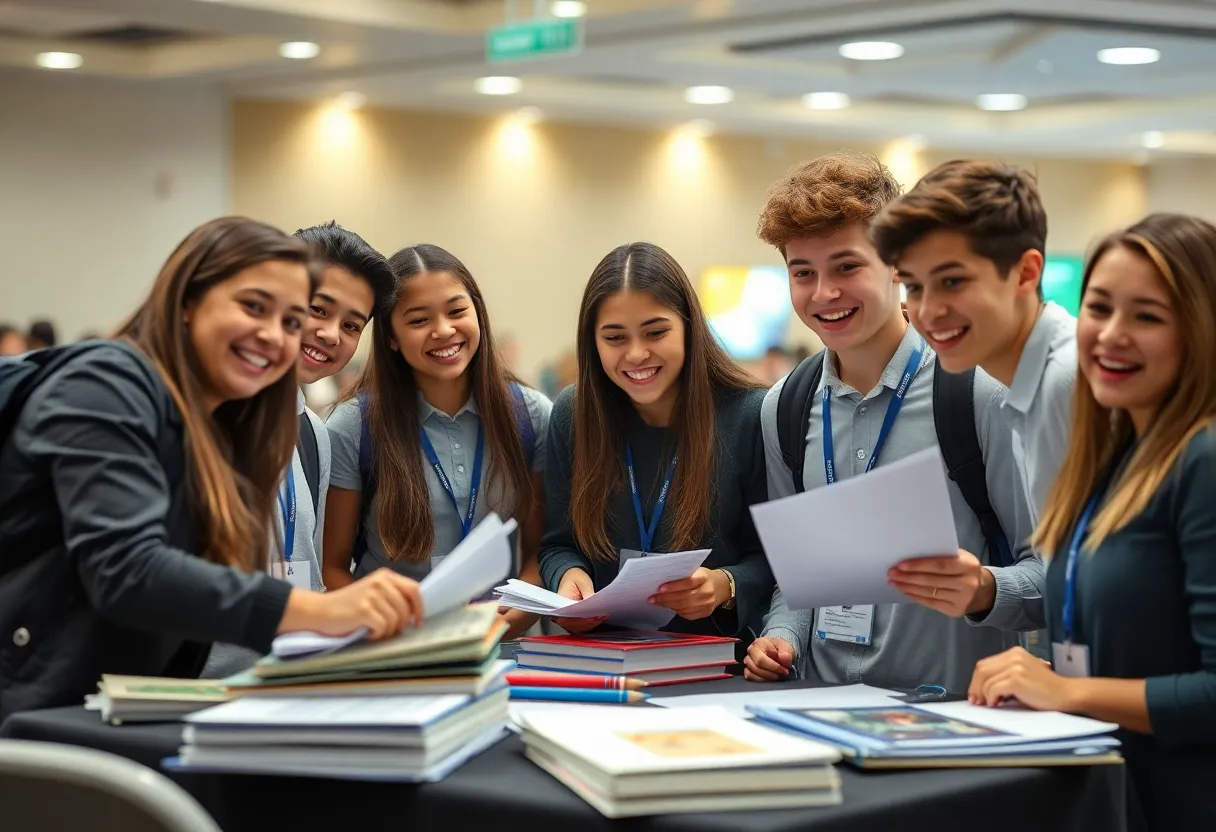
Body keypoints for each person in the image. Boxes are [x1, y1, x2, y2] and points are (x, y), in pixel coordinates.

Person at [0, 216, 423, 719]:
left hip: (146, 706)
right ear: (188, 299)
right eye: (254, 307)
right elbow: (129, 570)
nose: (276, 334)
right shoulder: (110, 381)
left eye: (291, 319)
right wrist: (322, 611)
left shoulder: (243, 422)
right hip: (44, 719)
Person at [743, 153, 1041, 693]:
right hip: (821, 712)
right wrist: (780, 634)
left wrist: (983, 588)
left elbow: (1054, 577)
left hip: (951, 723)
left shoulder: (978, 392)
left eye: (846, 266)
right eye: (802, 273)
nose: (823, 293)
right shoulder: (783, 407)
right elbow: (799, 575)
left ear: (897, 267)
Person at [968, 214, 1216, 831]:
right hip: (1118, 789)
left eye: (1148, 317)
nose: (1110, 336)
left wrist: (1069, 692)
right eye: (1099, 308)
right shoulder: (1117, 453)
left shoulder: (1203, 459)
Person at [539, 242, 772, 658]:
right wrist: (567, 577)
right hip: (599, 658)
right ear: (593, 343)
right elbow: (557, 542)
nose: (636, 354)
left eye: (655, 332)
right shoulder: (573, 415)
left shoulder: (749, 413)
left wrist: (725, 585)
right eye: (614, 337)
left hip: (712, 662)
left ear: (688, 326)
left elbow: (775, 556)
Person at [324, 244, 551, 639]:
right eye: (418, 319)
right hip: (397, 652)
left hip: (504, 648)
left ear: (478, 313)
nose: (443, 329)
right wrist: (390, 628)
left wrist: (503, 623)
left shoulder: (530, 415)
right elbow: (332, 566)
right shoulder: (354, 426)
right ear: (391, 337)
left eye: (457, 311)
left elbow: (538, 553)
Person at [201, 221, 394, 677]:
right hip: (195, 692)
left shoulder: (313, 435)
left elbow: (313, 577)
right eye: (317, 310)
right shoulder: (203, 423)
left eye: (351, 325)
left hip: (288, 683)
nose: (330, 334)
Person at [869, 160, 1073, 523]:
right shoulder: (1032, 385)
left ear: (1026, 274)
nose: (928, 311)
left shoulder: (1069, 384)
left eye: (952, 282)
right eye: (914, 287)